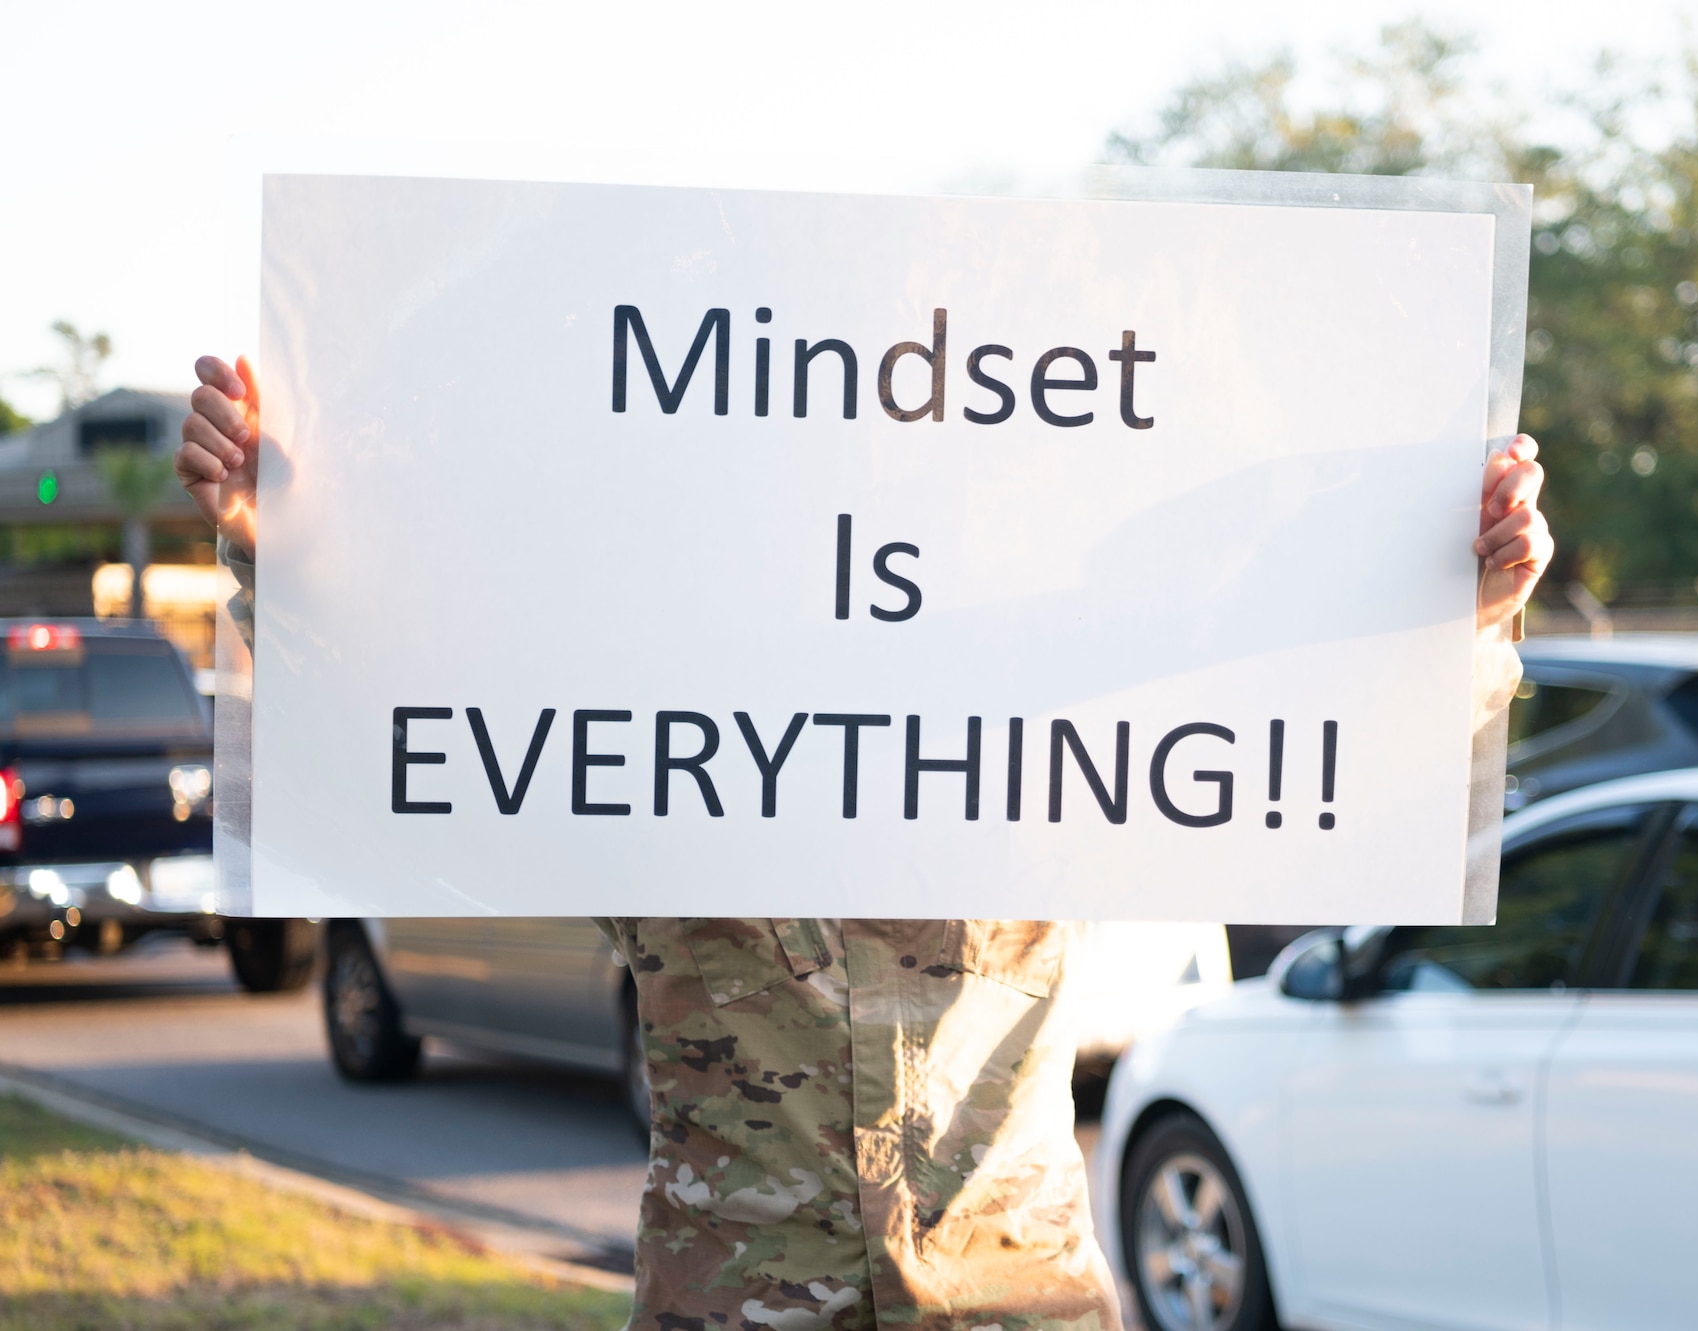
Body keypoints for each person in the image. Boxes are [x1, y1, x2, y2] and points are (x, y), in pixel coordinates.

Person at [178, 353, 1552, 1330]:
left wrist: (1470, 613)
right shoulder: (646, 769)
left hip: (1012, 1303)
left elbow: (1318, 751)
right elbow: (396, 738)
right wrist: (262, 546)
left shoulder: (1048, 756)